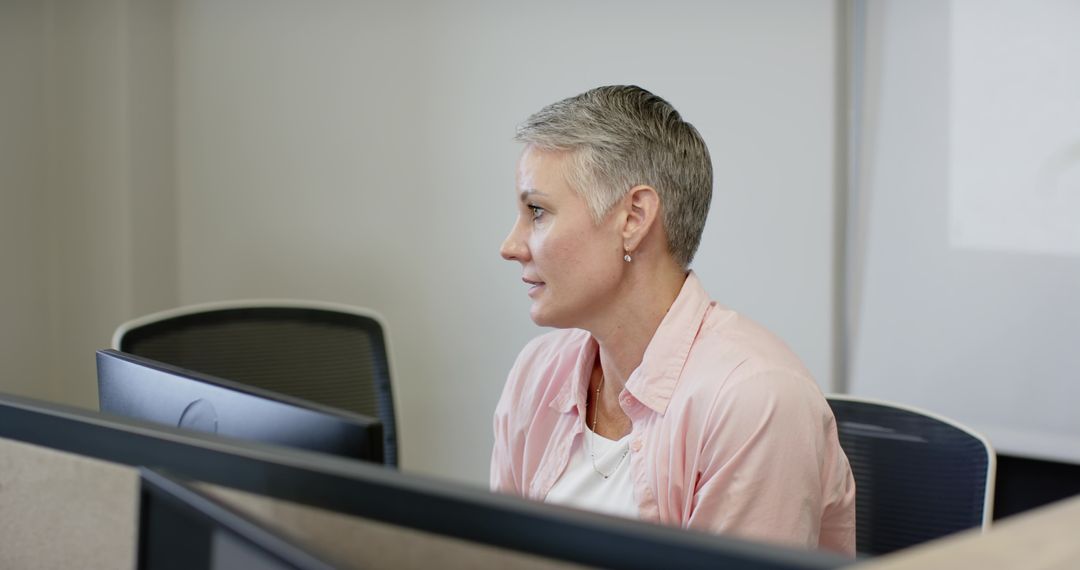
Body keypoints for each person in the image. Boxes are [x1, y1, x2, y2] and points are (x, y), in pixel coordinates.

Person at [490, 85, 856, 555]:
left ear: (634, 218)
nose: (510, 245)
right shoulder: (536, 374)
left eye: (537, 211)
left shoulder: (756, 400)